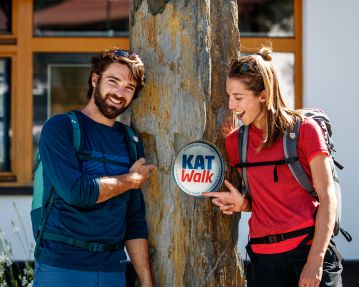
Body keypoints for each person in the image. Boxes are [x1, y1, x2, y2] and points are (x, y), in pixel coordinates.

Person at [203, 47, 343, 287]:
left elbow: (328, 199)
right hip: (265, 258)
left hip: (308, 249)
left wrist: (315, 261)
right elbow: (265, 200)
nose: (231, 105)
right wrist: (243, 204)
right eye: (229, 96)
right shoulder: (235, 142)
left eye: (238, 97)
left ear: (264, 95)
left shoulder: (304, 131)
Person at [33, 48, 155, 287]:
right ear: (95, 79)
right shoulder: (61, 128)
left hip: (112, 270)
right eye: (114, 81)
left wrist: (146, 279)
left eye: (129, 88)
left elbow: (134, 219)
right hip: (61, 268)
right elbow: (77, 192)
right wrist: (130, 180)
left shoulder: (131, 142)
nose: (120, 93)